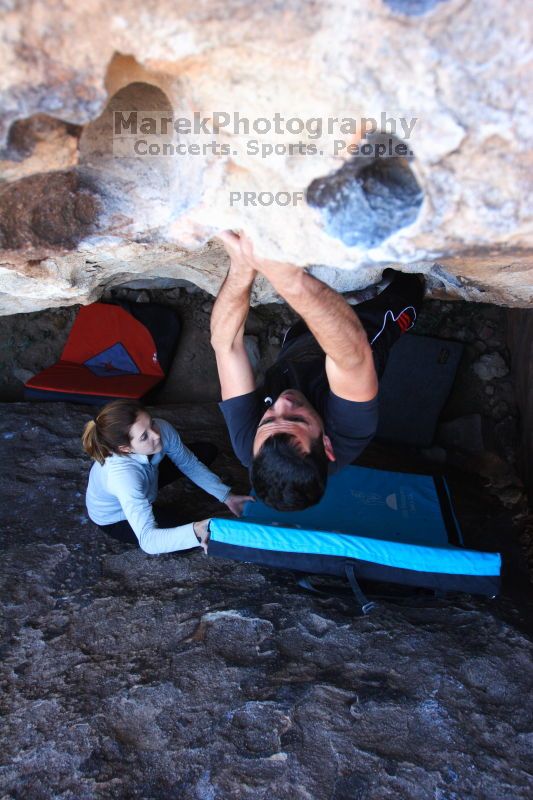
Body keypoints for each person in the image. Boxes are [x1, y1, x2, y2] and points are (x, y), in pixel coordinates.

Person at [210, 231, 424, 511]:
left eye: (268, 418)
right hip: (366, 327)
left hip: (301, 344)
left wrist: (241, 265)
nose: (282, 402)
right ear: (327, 444)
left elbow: (226, 345)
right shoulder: (349, 430)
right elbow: (350, 355)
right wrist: (286, 276)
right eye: (296, 417)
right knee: (410, 284)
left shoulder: (251, 445)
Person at [82, 400, 252, 554]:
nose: (156, 435)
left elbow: (189, 464)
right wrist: (196, 529)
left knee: (206, 451)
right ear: (125, 449)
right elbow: (149, 541)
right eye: (144, 436)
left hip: (148, 478)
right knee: (189, 540)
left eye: (151, 423)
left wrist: (227, 496)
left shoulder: (160, 429)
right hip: (117, 516)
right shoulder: (122, 477)